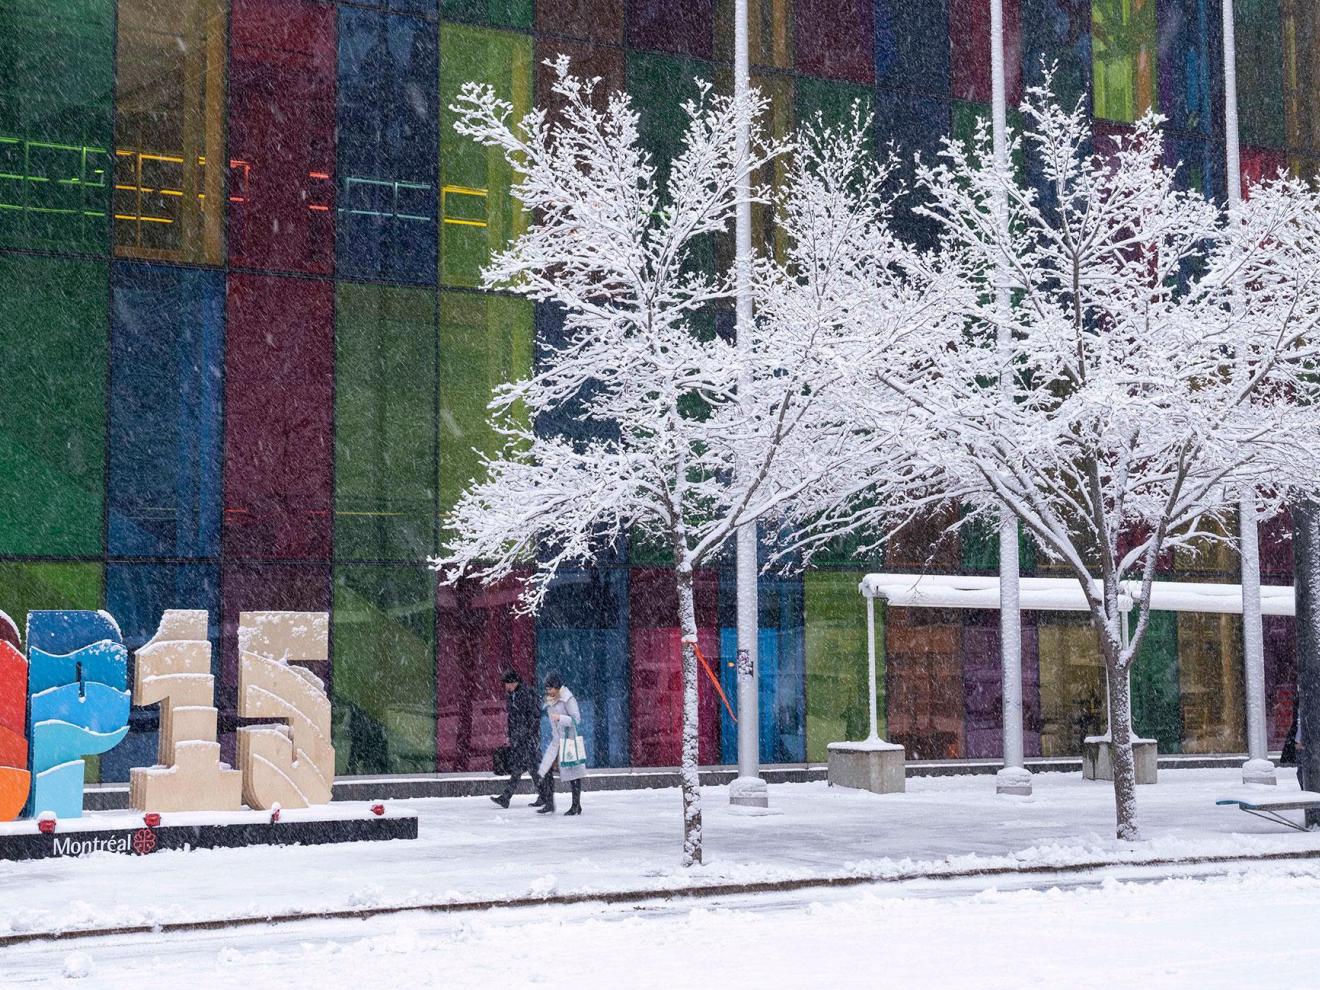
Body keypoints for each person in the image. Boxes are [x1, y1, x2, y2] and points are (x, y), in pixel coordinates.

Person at [490, 668, 541, 809]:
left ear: (514, 682)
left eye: (507, 683)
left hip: (528, 738)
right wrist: (512, 736)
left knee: (523, 768)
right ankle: (543, 795)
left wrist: (529, 734)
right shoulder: (511, 695)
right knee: (528, 768)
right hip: (518, 738)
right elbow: (512, 718)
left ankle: (506, 797)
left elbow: (534, 716)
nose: (506, 687)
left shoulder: (527, 693)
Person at [536, 673, 585, 816]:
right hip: (556, 741)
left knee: (573, 774)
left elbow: (576, 719)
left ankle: (576, 805)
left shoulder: (568, 699)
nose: (548, 691)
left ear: (557, 688)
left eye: (550, 688)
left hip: (569, 741)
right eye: (547, 689)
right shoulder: (550, 700)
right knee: (545, 769)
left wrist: (560, 718)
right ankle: (550, 803)